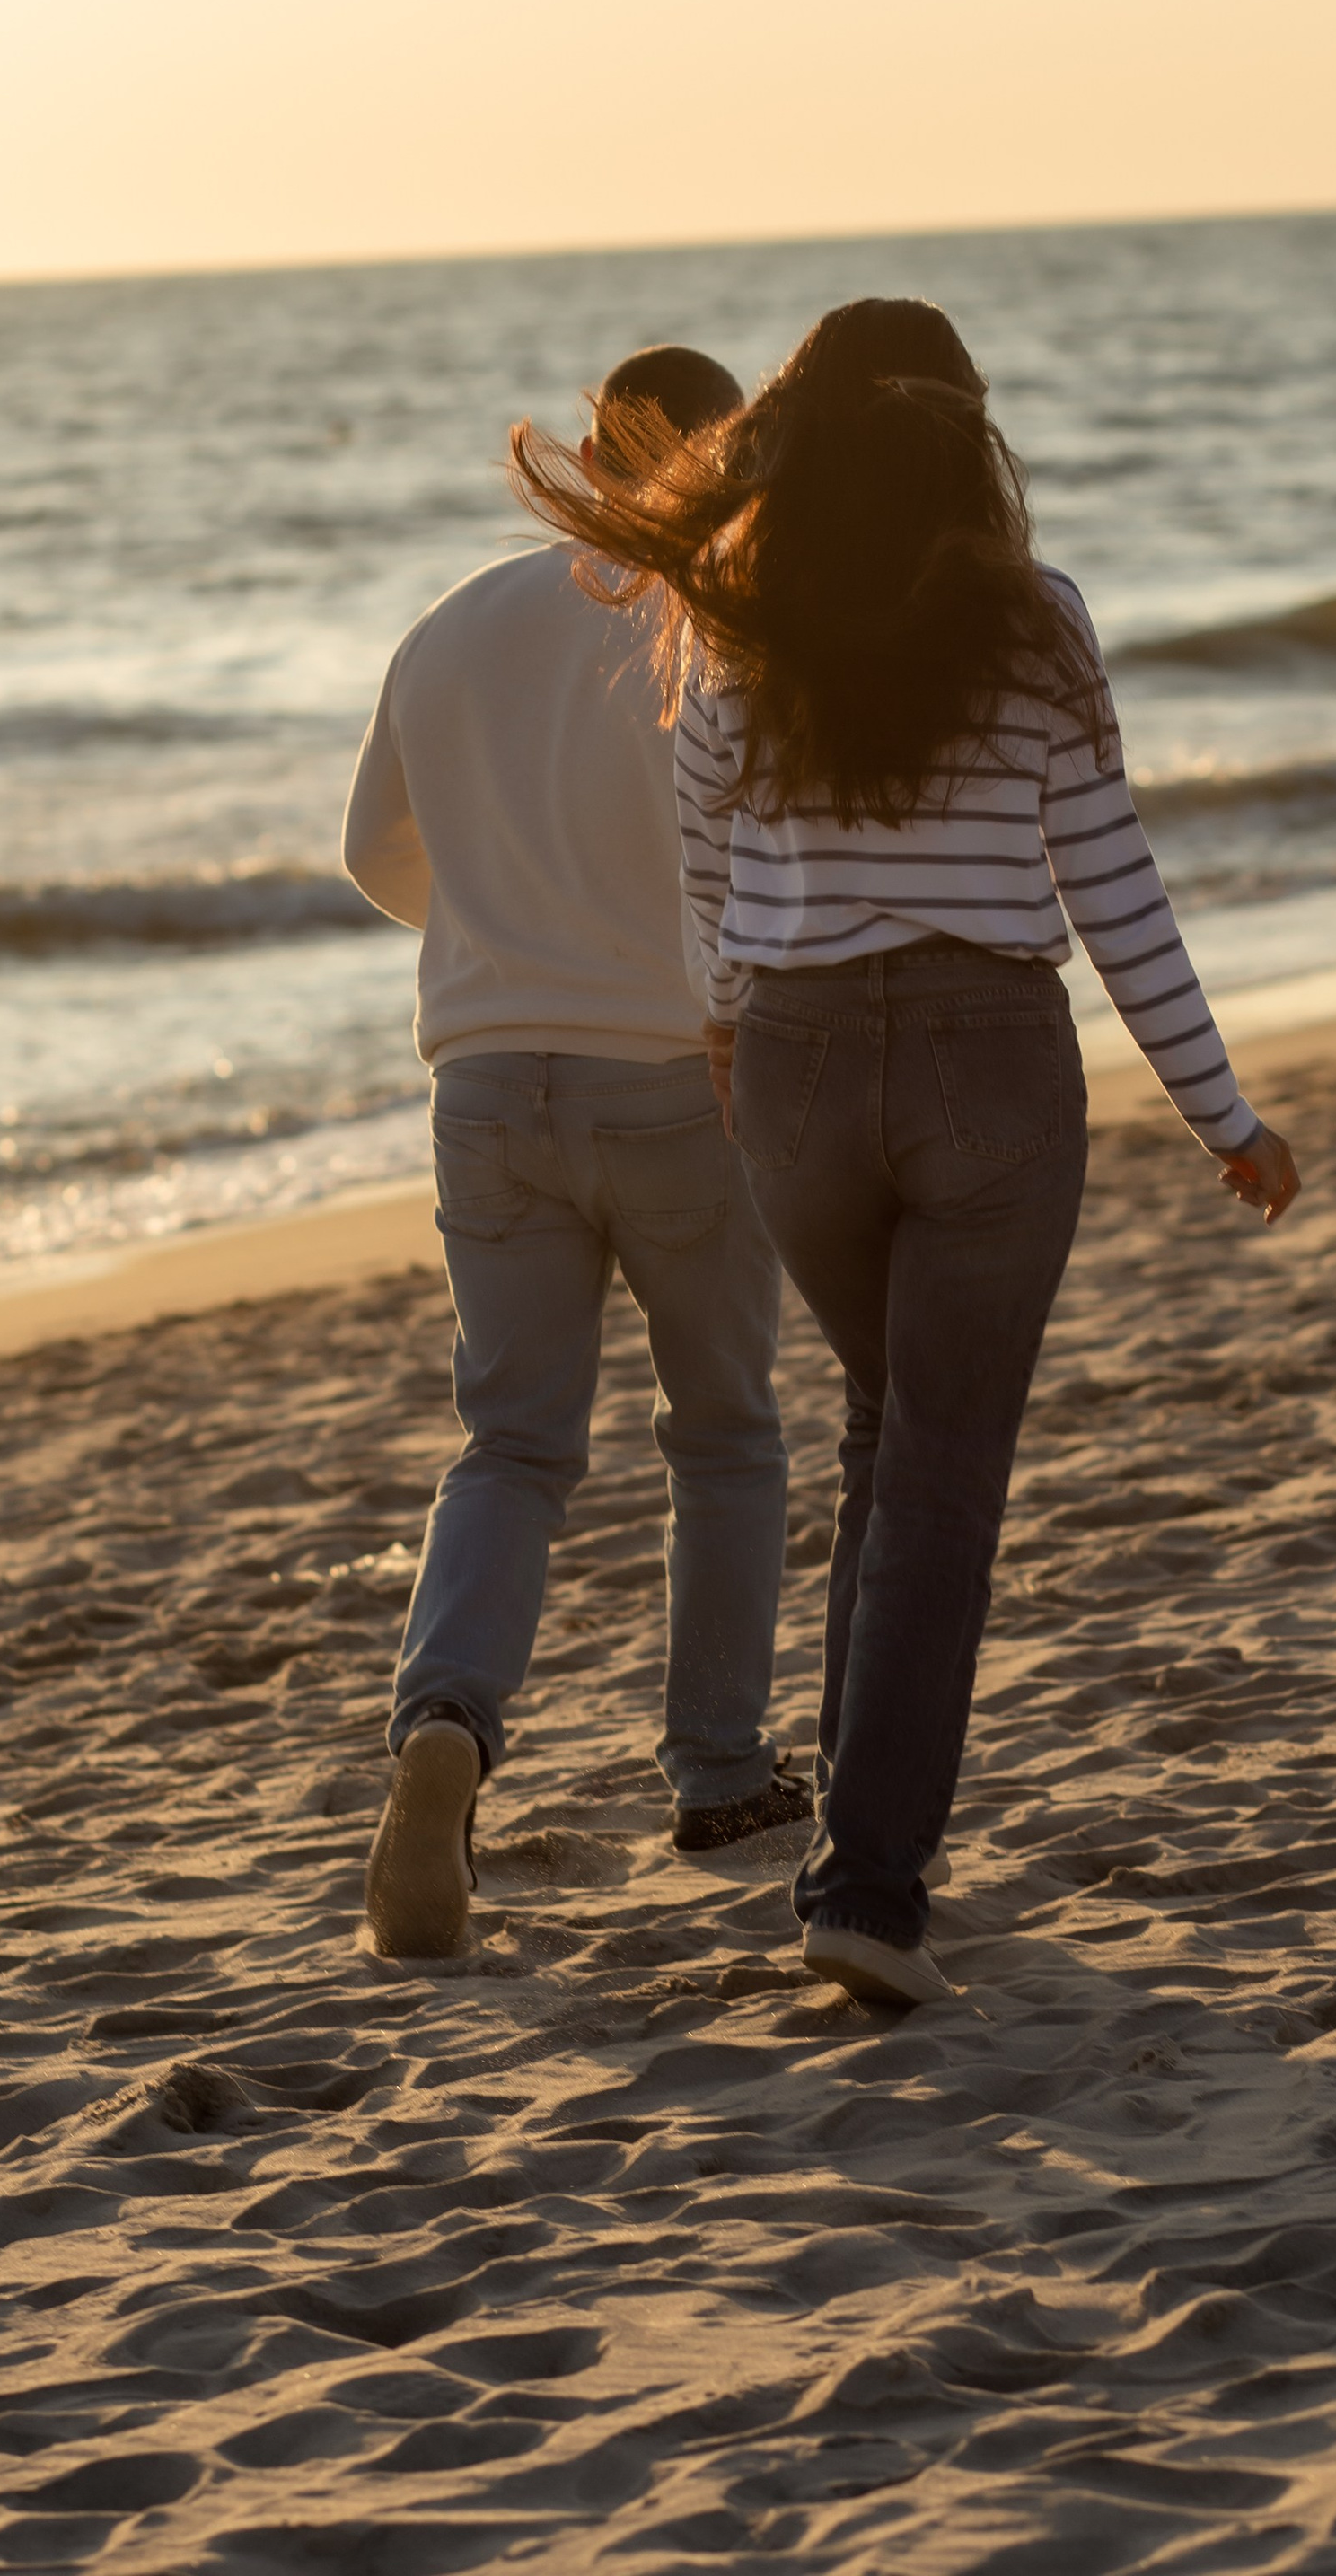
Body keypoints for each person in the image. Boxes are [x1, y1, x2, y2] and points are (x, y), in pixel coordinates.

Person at [509, 298, 1299, 2008]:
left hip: (790, 1072)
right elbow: (1113, 890)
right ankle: (868, 1883)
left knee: (889, 1435)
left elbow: (706, 862)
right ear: (963, 436)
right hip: (983, 1065)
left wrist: (735, 1029)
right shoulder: (1037, 625)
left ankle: (848, 1851)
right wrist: (1219, 1113)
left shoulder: (734, 621)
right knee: (941, 1467)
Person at [346, 343, 809, 1964]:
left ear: (597, 454)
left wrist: (503, 934)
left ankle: (446, 1733)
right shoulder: (723, 628)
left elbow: (370, 851)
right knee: (726, 1433)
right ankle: (721, 1777)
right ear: (715, 459)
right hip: (675, 1075)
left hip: (485, 1076)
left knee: (513, 1449)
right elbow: (775, 855)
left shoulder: (455, 621)